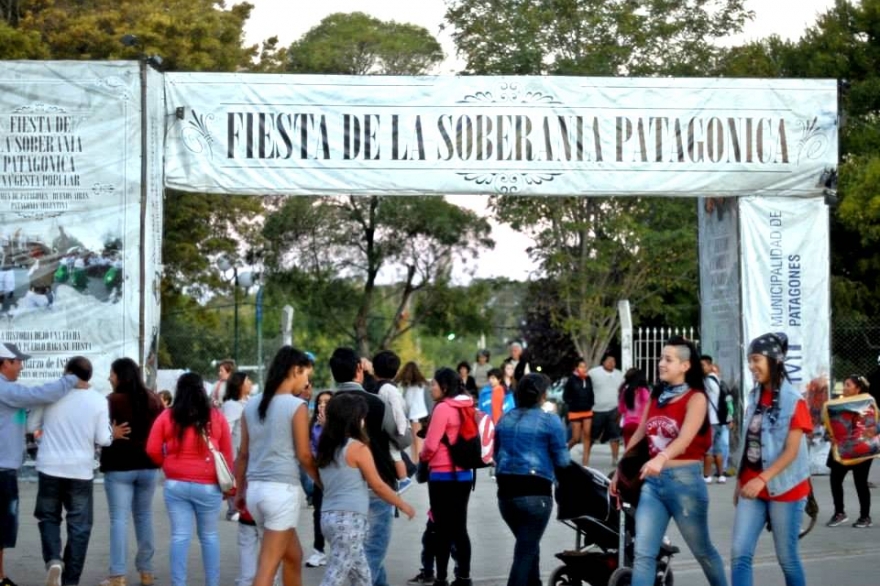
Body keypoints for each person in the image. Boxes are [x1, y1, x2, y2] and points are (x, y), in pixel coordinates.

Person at [610, 336, 727, 586]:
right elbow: (640, 433)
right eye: (661, 358)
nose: (661, 363)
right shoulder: (657, 395)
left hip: (684, 482)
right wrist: (620, 469)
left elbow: (685, 438)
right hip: (652, 484)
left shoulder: (696, 398)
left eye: (668, 359)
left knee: (703, 551)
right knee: (643, 554)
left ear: (685, 366)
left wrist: (661, 458)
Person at [0, 342, 84, 586]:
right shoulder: (5, 389)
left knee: (2, 530)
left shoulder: (8, 390)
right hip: (2, 470)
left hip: (5, 467)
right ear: (5, 362)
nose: (22, 366)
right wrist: (70, 380)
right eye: (18, 362)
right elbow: (38, 394)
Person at [731, 332, 811, 586]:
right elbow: (749, 442)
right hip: (751, 487)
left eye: (756, 360)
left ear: (774, 360)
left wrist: (762, 479)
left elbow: (791, 451)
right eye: (749, 361)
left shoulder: (793, 401)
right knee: (739, 554)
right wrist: (739, 482)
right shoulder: (754, 396)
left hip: (785, 488)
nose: (752, 366)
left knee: (787, 558)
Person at [27, 357, 115, 586]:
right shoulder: (98, 401)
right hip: (80, 470)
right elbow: (104, 440)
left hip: (49, 466)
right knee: (80, 526)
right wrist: (111, 431)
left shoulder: (50, 395)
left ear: (67, 373)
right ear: (89, 376)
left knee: (48, 516)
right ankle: (70, 581)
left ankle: (54, 560)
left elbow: (30, 426)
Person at [234, 346, 317, 586]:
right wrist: (324, 484)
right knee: (267, 569)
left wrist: (240, 492)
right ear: (295, 370)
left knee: (293, 557)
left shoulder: (250, 405)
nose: (306, 382)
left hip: (256, 494)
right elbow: (304, 455)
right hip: (281, 493)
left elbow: (243, 455)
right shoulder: (296, 406)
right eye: (306, 376)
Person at [329, 347, 411, 586]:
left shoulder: (330, 403)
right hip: (376, 486)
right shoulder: (374, 402)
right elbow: (401, 438)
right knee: (373, 552)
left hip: (341, 488)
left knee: (366, 554)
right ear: (358, 369)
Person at [317, 393, 415, 586]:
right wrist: (402, 504)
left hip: (329, 517)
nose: (363, 421)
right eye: (361, 416)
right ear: (353, 419)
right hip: (350, 521)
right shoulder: (357, 448)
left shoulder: (327, 445)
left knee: (362, 575)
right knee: (335, 576)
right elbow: (378, 485)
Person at [146, 372, 233, 586]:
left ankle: (179, 583)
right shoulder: (215, 416)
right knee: (209, 536)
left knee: (179, 536)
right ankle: (212, 583)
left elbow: (151, 449)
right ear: (202, 391)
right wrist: (228, 486)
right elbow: (227, 453)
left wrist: (166, 462)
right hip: (209, 485)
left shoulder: (167, 416)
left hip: (176, 484)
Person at [495, 373, 570, 586]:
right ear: (542, 395)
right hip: (536, 493)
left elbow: (496, 453)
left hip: (506, 495)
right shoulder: (550, 421)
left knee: (528, 544)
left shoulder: (505, 419)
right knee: (525, 551)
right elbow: (563, 460)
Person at [98, 358, 165, 586]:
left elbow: (98, 431)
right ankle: (146, 572)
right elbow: (164, 428)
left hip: (119, 467)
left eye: (112, 373)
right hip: (148, 467)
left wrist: (110, 431)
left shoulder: (111, 401)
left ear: (120, 376)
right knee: (144, 517)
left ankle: (118, 575)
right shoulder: (154, 399)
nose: (109, 377)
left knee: (119, 520)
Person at [420, 367, 476, 586]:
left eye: (433, 384)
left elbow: (430, 446)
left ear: (444, 386)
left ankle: (441, 578)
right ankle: (464, 577)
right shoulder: (467, 405)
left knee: (441, 529)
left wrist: (423, 457)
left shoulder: (443, 408)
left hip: (442, 476)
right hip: (464, 475)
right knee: (460, 528)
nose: (431, 387)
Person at [823, 374, 878, 528]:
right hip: (842, 449)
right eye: (844, 384)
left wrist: (874, 430)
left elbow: (876, 424)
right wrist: (829, 436)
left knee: (860, 483)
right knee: (835, 480)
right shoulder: (837, 405)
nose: (845, 388)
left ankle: (865, 517)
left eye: (848, 385)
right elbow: (830, 427)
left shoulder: (869, 403)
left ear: (858, 388)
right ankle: (839, 513)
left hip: (862, 450)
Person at [373, 350, 413, 492]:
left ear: (374, 369)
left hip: (393, 429)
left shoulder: (387, 389)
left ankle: (403, 479)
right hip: (392, 428)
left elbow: (397, 410)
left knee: (395, 455)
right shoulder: (388, 387)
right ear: (396, 372)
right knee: (394, 455)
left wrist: (401, 430)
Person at [306, 390, 333, 569]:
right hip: (319, 476)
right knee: (319, 513)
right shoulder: (312, 426)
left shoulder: (339, 427)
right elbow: (309, 448)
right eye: (320, 402)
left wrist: (327, 426)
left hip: (338, 477)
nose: (322, 405)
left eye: (327, 402)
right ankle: (318, 550)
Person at [222, 372, 251, 522]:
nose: (250, 383)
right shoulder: (232, 405)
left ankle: (242, 508)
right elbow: (226, 429)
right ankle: (233, 510)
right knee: (236, 480)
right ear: (239, 384)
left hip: (248, 450)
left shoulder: (249, 402)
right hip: (236, 451)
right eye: (247, 380)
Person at [588, 352, 624, 467]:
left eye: (613, 361)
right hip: (597, 409)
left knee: (615, 436)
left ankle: (615, 459)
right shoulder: (593, 373)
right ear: (603, 362)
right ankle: (586, 458)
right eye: (609, 360)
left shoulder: (619, 374)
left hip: (614, 409)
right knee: (592, 436)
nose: (611, 363)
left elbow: (623, 392)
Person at [701, 355, 730, 484]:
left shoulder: (707, 381)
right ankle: (721, 474)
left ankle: (706, 476)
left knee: (708, 450)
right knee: (717, 449)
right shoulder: (717, 380)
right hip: (719, 420)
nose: (701, 368)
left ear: (709, 365)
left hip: (711, 420)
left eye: (703, 365)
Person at [396, 361, 430, 463]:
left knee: (416, 442)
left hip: (414, 416)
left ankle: (417, 463)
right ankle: (417, 463)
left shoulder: (407, 387)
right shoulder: (423, 385)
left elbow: (406, 402)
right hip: (420, 415)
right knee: (417, 442)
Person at [562, 358, 594, 466]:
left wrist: (591, 403)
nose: (584, 369)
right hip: (575, 411)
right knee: (575, 438)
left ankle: (585, 463)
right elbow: (565, 396)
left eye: (585, 367)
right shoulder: (571, 379)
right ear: (576, 368)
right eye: (581, 366)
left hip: (587, 411)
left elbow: (591, 392)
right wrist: (573, 403)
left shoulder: (588, 379)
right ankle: (563, 453)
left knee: (587, 435)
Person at [617, 367, 650, 449]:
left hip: (627, 425)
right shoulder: (644, 391)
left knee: (628, 450)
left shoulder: (625, 391)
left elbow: (621, 410)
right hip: (640, 425)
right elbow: (649, 407)